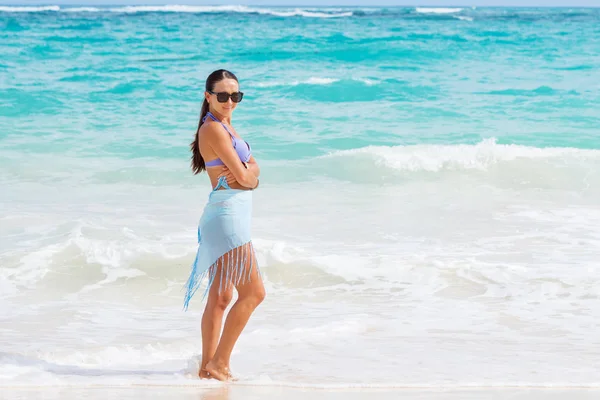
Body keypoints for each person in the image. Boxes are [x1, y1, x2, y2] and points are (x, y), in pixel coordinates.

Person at [184, 69, 265, 381]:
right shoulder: (213, 129)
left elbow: (252, 169)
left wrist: (249, 173)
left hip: (229, 212)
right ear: (208, 97)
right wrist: (249, 175)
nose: (230, 101)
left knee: (221, 297)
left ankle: (207, 368)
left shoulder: (227, 126)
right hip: (228, 216)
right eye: (222, 95)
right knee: (254, 294)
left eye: (236, 95)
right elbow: (247, 177)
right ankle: (220, 363)